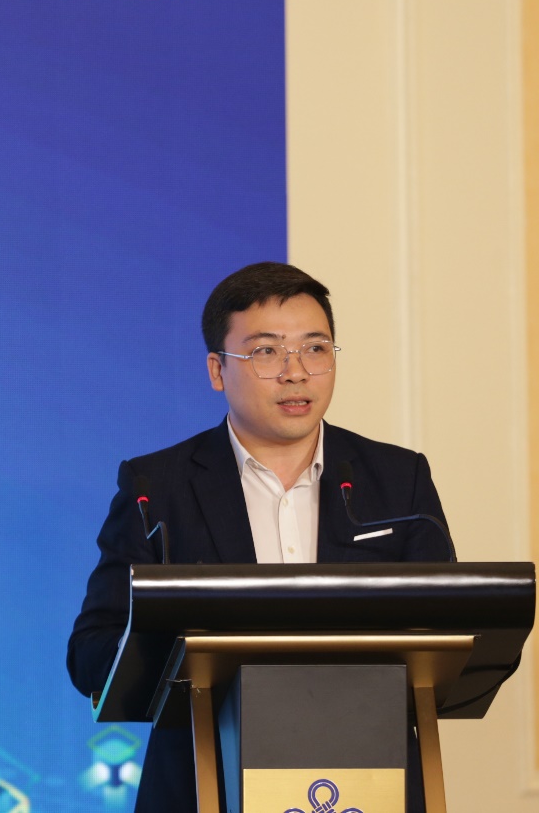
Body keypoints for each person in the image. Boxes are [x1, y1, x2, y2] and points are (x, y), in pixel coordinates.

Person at [67, 261, 453, 813]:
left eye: (315, 348)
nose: (296, 372)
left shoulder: (397, 479)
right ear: (217, 370)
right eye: (267, 351)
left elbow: (446, 633)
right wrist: (184, 656)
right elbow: (91, 652)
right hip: (203, 783)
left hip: (371, 779)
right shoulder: (157, 487)